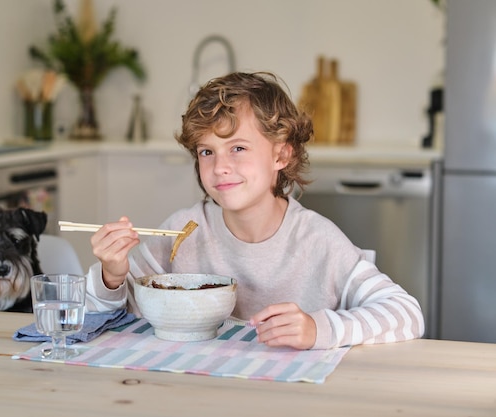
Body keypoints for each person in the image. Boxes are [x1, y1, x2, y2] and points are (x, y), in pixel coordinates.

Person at [85, 71, 425, 350]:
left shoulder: (317, 240)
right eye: (207, 152)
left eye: (238, 148)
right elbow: (105, 317)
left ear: (281, 156)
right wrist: (112, 276)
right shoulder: (183, 230)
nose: (220, 167)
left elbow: (407, 314)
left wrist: (318, 329)